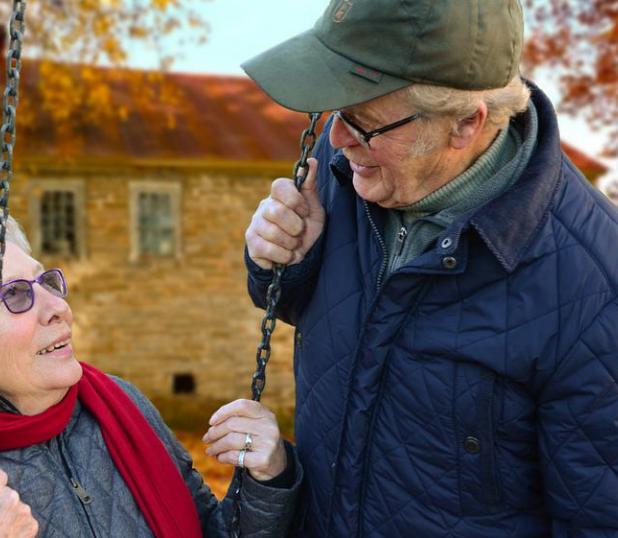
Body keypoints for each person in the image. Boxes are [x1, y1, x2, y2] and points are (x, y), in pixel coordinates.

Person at [242, 0, 618, 536]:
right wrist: (280, 264)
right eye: (334, 112)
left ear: (465, 124)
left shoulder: (596, 286)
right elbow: (319, 314)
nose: (338, 139)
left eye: (363, 123)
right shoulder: (347, 167)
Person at [0, 202, 302, 538]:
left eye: (46, 281)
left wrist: (267, 479)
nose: (57, 306)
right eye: (14, 295)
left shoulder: (121, 408)